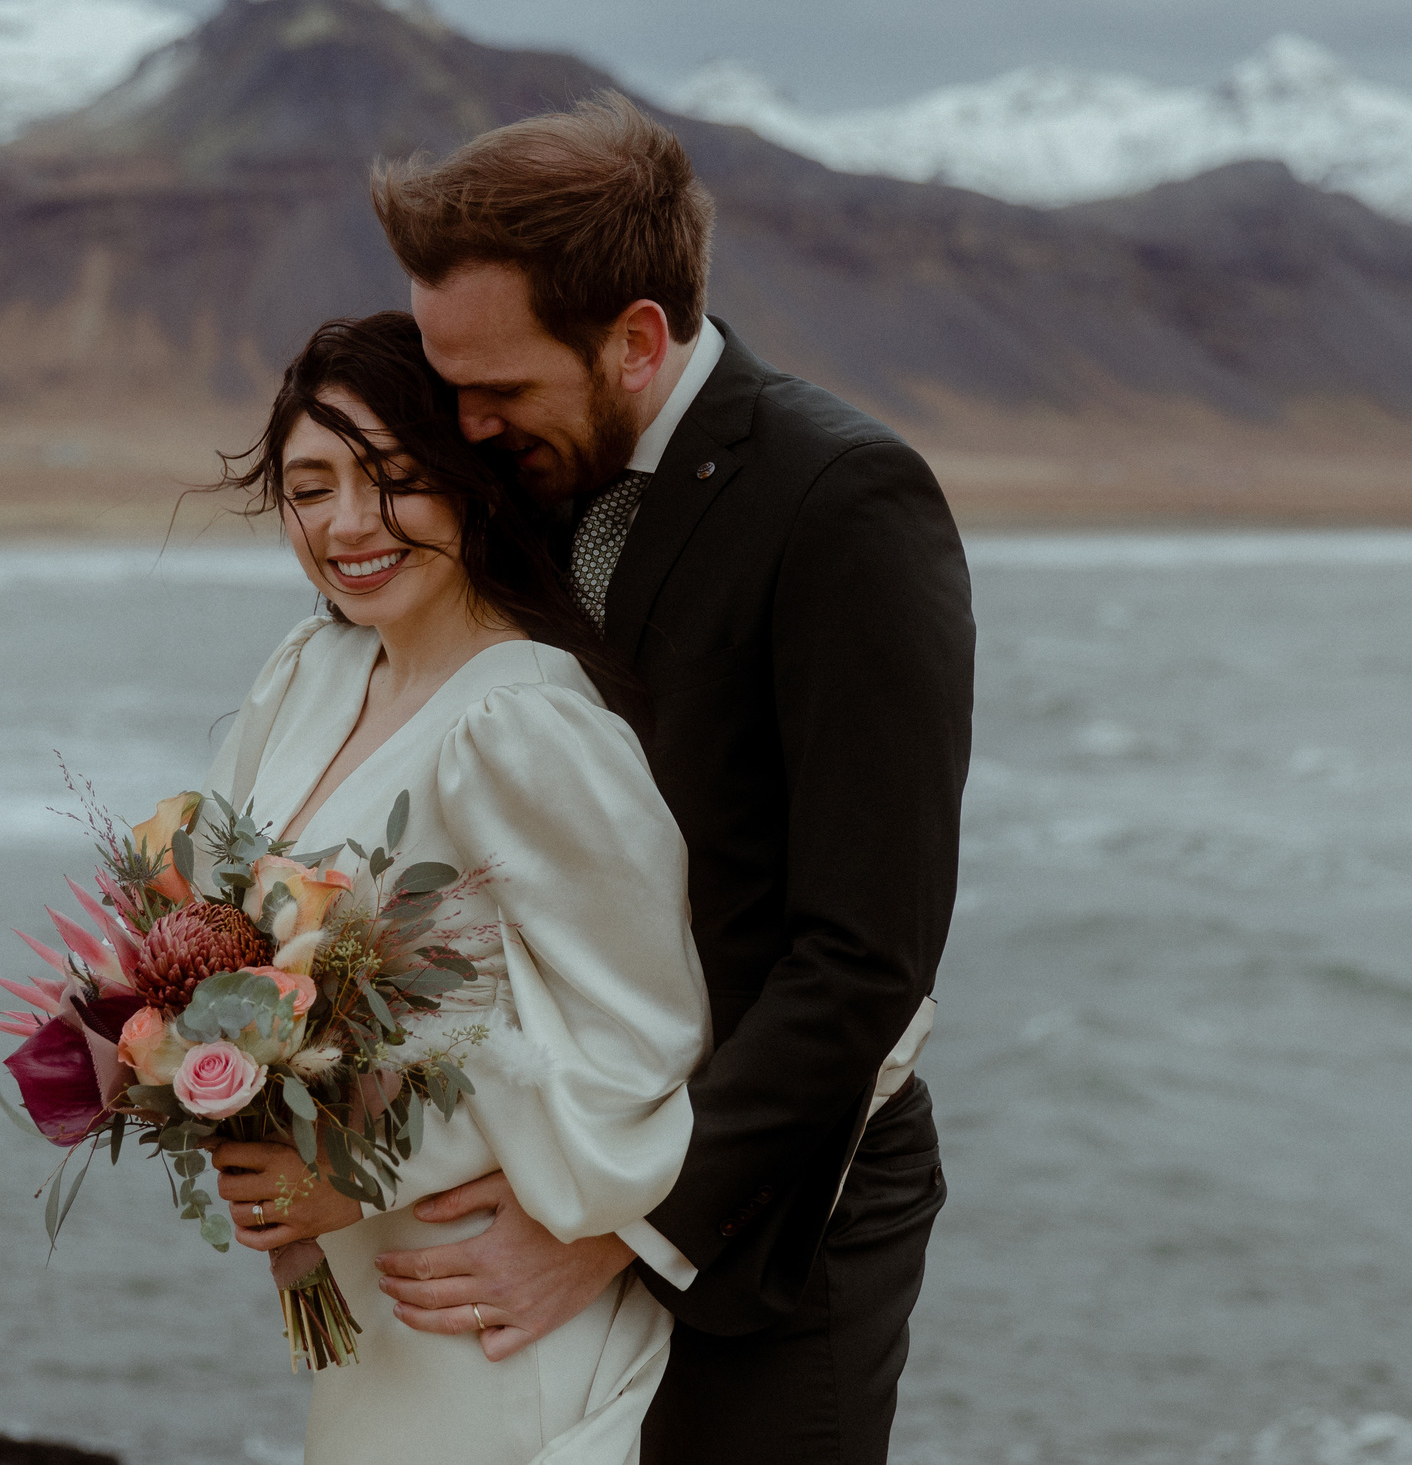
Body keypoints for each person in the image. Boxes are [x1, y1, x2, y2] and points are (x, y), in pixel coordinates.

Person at [362, 92, 976, 1465]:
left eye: (499, 387)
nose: (460, 426)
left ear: (637, 338)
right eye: (445, 379)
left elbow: (866, 956)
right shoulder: (517, 474)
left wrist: (620, 1225)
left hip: (773, 1213)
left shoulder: (847, 503)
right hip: (536, 1178)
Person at [198, 311, 711, 1465]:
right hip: (368, 1307)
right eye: (310, 486)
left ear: (473, 487)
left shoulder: (520, 721)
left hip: (484, 1304)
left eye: (395, 482)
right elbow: (208, 932)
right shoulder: (307, 672)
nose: (348, 525)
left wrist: (358, 1165)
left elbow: (647, 1039)